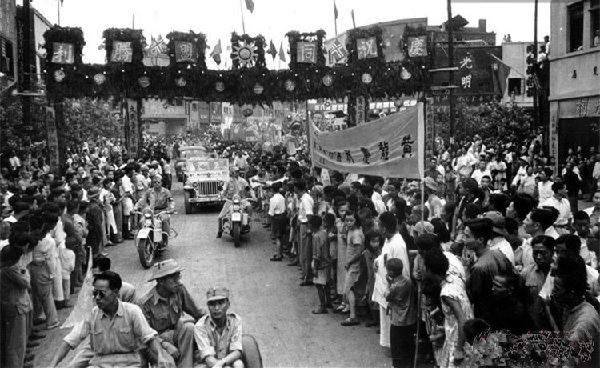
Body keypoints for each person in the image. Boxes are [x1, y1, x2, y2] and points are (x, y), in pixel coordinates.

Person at [49, 271, 174, 368]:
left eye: (102, 293)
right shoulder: (92, 315)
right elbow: (69, 342)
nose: (97, 298)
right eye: (95, 293)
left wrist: (161, 356)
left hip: (129, 362)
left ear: (115, 293)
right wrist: (52, 364)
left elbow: (149, 338)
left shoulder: (132, 312)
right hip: (100, 362)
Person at [139, 259, 205, 368]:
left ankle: (185, 365)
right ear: (161, 281)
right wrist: (166, 345)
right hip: (156, 343)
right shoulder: (145, 303)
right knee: (168, 363)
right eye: (173, 278)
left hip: (176, 333)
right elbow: (146, 336)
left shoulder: (179, 290)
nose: (178, 281)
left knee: (190, 327)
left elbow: (196, 312)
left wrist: (215, 323)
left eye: (178, 276)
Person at [373, 212, 410, 348]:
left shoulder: (398, 244)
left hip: (393, 291)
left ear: (384, 227)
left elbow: (403, 271)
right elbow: (384, 257)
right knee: (386, 323)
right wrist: (377, 262)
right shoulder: (388, 241)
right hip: (384, 287)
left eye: (379, 226)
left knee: (392, 324)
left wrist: (395, 291)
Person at [464, 218, 512, 322]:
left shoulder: (479, 268)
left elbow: (472, 297)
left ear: (480, 240)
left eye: (467, 236)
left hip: (487, 317)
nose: (464, 240)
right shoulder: (499, 254)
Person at [194, 287, 244, 368]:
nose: (216, 308)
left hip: (227, 360)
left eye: (221, 303)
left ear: (228, 304)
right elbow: (209, 359)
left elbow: (237, 351)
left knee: (238, 364)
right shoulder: (200, 326)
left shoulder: (235, 320)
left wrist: (223, 362)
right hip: (207, 365)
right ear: (208, 306)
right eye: (212, 304)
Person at [0, 245, 33, 368]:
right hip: (15, 307)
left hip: (12, 306)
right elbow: (25, 282)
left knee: (15, 341)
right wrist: (23, 269)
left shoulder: (6, 269)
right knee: (16, 342)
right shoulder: (9, 270)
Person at [385, 258, 417, 367]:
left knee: (397, 347)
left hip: (398, 320)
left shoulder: (395, 287)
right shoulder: (408, 281)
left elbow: (387, 296)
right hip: (409, 318)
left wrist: (389, 285)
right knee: (408, 345)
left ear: (391, 272)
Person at [520, 235, 555, 331]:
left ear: (552, 252)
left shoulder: (559, 273)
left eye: (543, 253)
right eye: (535, 253)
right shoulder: (526, 273)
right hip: (534, 327)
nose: (538, 257)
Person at [341, 210, 364, 326]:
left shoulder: (356, 234)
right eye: (347, 220)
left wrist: (349, 262)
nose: (349, 223)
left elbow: (358, 252)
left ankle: (353, 316)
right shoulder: (351, 231)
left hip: (354, 265)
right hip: (352, 265)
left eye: (351, 220)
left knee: (350, 289)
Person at [136, 174, 174, 245]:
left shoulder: (166, 191)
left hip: (162, 211)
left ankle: (164, 238)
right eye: (154, 182)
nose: (156, 184)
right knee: (141, 221)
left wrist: (171, 209)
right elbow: (142, 200)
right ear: (152, 183)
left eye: (158, 182)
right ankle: (142, 238)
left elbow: (171, 201)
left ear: (161, 183)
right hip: (151, 211)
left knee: (165, 220)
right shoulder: (148, 192)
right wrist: (135, 208)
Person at [217, 167, 253, 238]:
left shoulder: (243, 181)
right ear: (231, 172)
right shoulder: (227, 181)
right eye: (233, 172)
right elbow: (224, 191)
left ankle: (247, 223)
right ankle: (219, 231)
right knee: (220, 217)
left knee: (249, 206)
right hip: (230, 201)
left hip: (241, 200)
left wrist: (253, 196)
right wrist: (221, 195)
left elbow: (248, 189)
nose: (235, 173)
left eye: (236, 171)